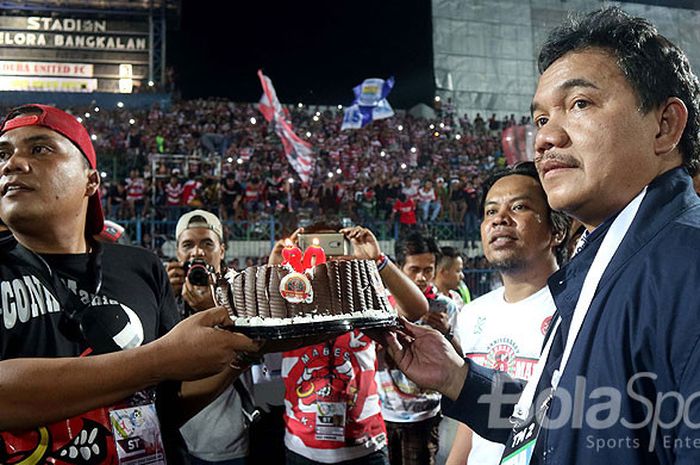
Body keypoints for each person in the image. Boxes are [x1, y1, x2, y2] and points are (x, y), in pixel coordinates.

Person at [382, 7, 700, 465]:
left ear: (665, 125)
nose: (545, 139)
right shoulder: (603, 259)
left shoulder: (685, 267)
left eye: (579, 104)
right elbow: (569, 420)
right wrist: (458, 380)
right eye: (541, 118)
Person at [0, 104, 259, 465]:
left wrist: (249, 349)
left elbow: (165, 405)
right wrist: (158, 359)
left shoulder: (141, 266)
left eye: (39, 148)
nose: (11, 163)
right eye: (3, 153)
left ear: (91, 180)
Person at [268, 224, 428, 465]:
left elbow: (416, 309)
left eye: (332, 249)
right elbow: (252, 323)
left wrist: (378, 260)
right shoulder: (289, 301)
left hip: (366, 447)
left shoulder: (365, 297)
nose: (324, 260)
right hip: (302, 449)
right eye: (313, 251)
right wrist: (275, 271)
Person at [444, 162, 568, 465]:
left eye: (519, 207)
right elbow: (470, 420)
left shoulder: (575, 310)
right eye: (490, 211)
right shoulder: (473, 314)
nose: (500, 219)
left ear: (557, 230)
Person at [167, 210, 253, 465]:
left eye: (207, 243)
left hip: (227, 442)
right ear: (178, 254)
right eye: (188, 245)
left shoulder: (241, 290)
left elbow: (254, 346)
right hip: (176, 439)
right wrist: (162, 297)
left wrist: (210, 309)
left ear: (222, 251)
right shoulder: (165, 292)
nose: (198, 252)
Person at [376, 232, 461, 465]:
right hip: (383, 413)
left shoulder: (445, 307)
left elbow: (460, 358)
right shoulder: (380, 305)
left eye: (428, 269)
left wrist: (446, 332)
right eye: (414, 269)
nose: (422, 277)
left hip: (425, 413)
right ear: (400, 269)